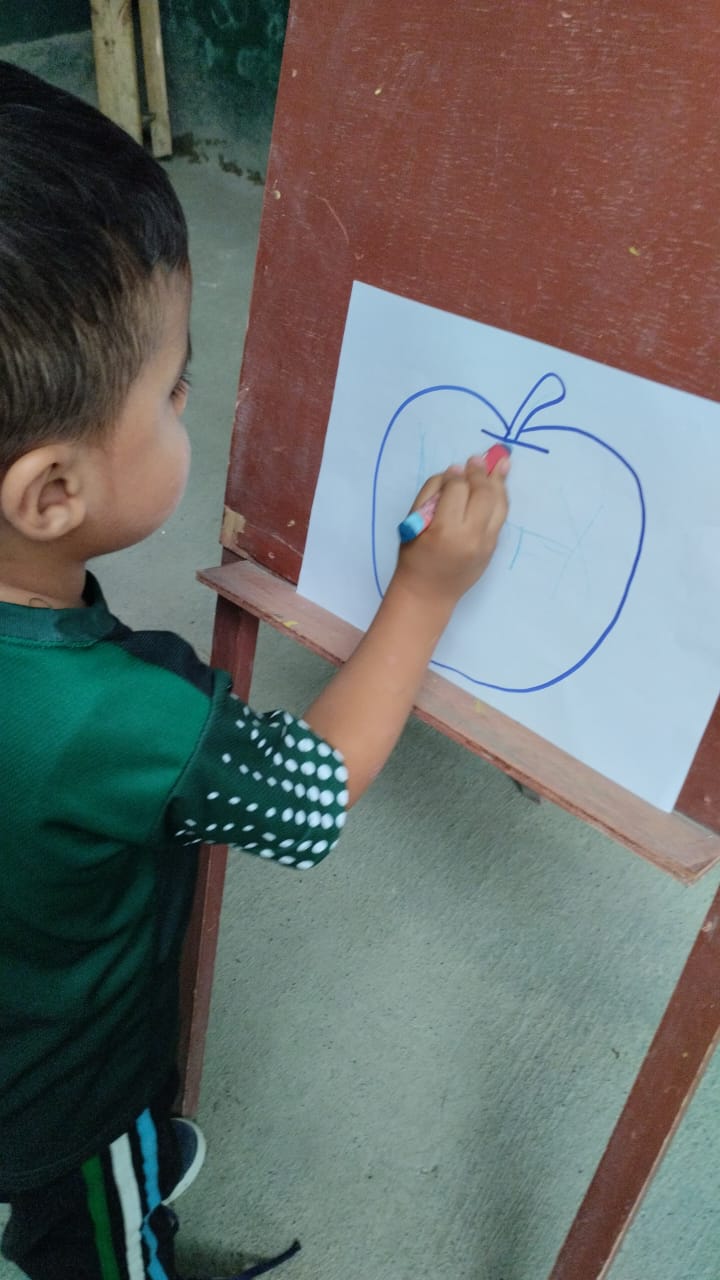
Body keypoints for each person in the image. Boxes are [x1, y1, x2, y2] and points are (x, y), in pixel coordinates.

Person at [0, 61, 510, 1280]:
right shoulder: (126, 714)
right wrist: (423, 592)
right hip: (65, 1092)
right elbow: (315, 784)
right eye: (173, 389)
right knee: (102, 1241)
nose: (193, 399)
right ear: (53, 491)